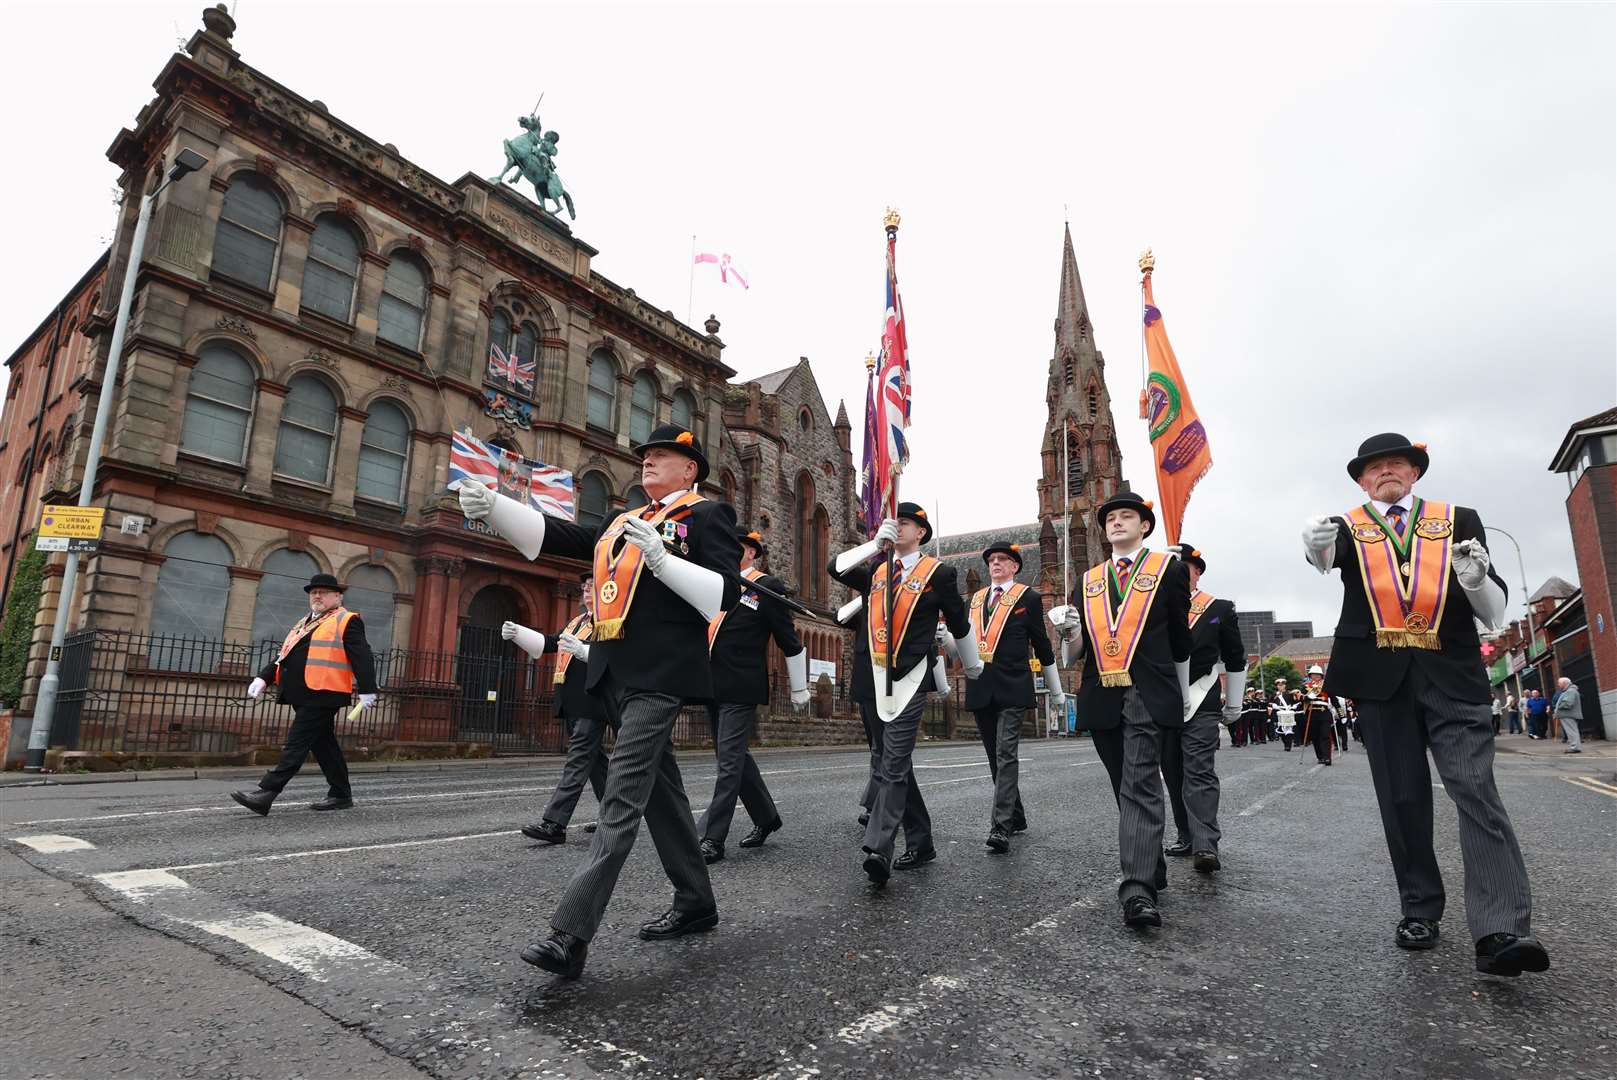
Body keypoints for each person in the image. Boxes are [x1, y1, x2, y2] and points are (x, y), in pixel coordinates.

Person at [460, 423, 742, 979]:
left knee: (621, 802)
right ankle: (696, 901)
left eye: (662, 457)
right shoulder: (623, 522)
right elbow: (562, 538)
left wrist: (664, 561)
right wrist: (495, 506)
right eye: (646, 456)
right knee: (661, 795)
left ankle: (570, 935)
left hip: (660, 675)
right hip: (612, 673)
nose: (648, 463)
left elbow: (725, 593)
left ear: (691, 470)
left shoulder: (707, 516)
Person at [1302, 432, 1548, 977]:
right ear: (1362, 481)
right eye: (1374, 467)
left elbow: (1494, 609)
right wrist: (1314, 544)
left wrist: (1478, 579)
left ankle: (1501, 927)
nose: (1385, 472)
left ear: (1415, 472)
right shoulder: (1348, 526)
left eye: (1397, 463)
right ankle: (1419, 910)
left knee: (1476, 790)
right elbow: (1323, 561)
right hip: (1380, 677)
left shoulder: (1460, 518)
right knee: (1402, 798)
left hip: (1451, 672)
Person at [1054, 491, 1192, 929]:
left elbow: (1180, 640)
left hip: (1147, 691)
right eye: (1110, 518)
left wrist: (1185, 694)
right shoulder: (1088, 579)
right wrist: (1068, 632)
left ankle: (1137, 889)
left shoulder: (1166, 570)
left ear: (1144, 526)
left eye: (1126, 516)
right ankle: (1152, 863)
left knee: (1138, 783)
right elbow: (1076, 652)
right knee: (1123, 784)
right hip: (1101, 693)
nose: (1116, 523)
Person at [829, 502, 981, 886]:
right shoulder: (878, 571)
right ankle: (922, 839)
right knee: (893, 762)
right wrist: (871, 545)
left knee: (893, 763)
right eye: (893, 523)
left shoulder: (939, 573)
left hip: (912, 676)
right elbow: (836, 568)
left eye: (905, 523)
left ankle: (880, 846)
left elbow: (960, 624)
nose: (897, 528)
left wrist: (973, 665)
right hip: (876, 678)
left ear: (921, 533)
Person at [696, 529, 811, 863]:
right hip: (712, 683)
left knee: (729, 763)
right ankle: (766, 817)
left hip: (742, 685)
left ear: (750, 553)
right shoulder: (717, 584)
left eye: (734, 548)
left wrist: (799, 686)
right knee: (734, 759)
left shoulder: (765, 587)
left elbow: (788, 638)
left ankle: (710, 838)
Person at [232, 574, 377, 815]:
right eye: (313, 592)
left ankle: (267, 793)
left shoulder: (347, 620)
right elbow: (285, 654)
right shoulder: (305, 622)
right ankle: (340, 794)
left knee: (296, 743)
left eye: (323, 591)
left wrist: (368, 688)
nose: (317, 596)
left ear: (338, 596)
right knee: (324, 745)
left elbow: (362, 655)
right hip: (303, 692)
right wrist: (264, 676)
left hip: (324, 692)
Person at [963, 541, 1062, 853]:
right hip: (981, 686)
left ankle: (1000, 826)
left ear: (1015, 566)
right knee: (995, 757)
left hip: (1013, 686)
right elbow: (965, 641)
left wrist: (1056, 689)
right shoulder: (977, 599)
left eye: (1003, 559)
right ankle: (1016, 816)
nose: (995, 564)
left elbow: (1042, 645)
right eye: (992, 559)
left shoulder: (1028, 598)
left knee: (1006, 754)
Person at [1159, 543, 1246, 872]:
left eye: (1185, 568)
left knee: (1199, 771)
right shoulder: (1154, 607)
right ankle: (1186, 834)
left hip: (1202, 698)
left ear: (1197, 572)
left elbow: (1235, 657)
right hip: (1164, 700)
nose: (1180, 574)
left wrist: (1234, 703)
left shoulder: (1219, 608)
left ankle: (1206, 844)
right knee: (1172, 770)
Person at [506, 574, 608, 844]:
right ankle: (613, 817)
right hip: (572, 702)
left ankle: (554, 824)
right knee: (595, 763)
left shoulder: (608, 621)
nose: (587, 591)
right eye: (585, 588)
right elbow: (552, 642)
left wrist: (586, 650)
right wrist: (520, 633)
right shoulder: (577, 622)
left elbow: (612, 656)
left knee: (577, 762)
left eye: (592, 587)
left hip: (592, 702)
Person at [1299, 665, 1336, 765]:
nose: (1315, 677)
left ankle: (1327, 757)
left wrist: (1342, 714)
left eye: (1317, 675)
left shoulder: (1326, 686)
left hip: (1324, 713)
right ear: (1310, 676)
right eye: (1313, 675)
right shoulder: (1306, 687)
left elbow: (1334, 700)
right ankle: (1320, 757)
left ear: (1321, 676)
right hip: (1312, 714)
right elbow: (1301, 699)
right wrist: (1309, 696)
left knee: (1325, 736)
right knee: (1315, 737)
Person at [1552, 677, 1583, 754]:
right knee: (1572, 731)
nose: (1558, 685)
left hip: (1568, 714)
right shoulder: (1570, 691)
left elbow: (1568, 703)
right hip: (1568, 714)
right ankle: (1575, 747)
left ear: (1564, 683)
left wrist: (1558, 707)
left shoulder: (1570, 691)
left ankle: (1575, 747)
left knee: (1571, 731)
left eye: (1559, 683)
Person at [1271, 678, 1301, 750]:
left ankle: (1288, 745)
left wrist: (1294, 707)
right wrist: (1273, 706)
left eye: (1282, 685)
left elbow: (1297, 702)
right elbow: (1270, 703)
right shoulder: (1274, 695)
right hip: (1279, 713)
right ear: (1277, 686)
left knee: (1289, 729)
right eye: (1279, 685)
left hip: (1288, 713)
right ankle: (1285, 743)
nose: (1280, 686)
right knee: (1281, 730)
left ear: (1285, 686)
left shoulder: (1289, 694)